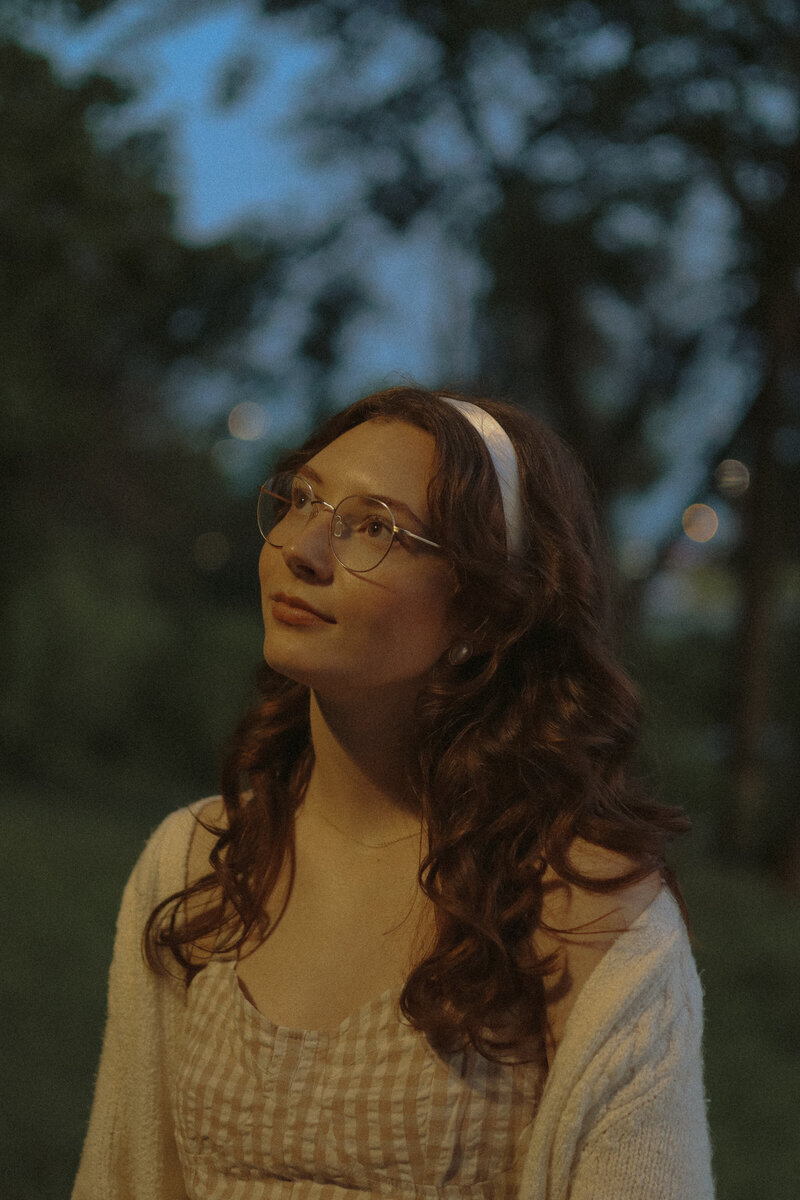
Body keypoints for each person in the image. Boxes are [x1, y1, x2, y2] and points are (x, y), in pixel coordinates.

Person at [73, 386, 714, 1199]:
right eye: (302, 498)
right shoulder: (202, 869)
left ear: (485, 609)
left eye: (375, 526)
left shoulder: (580, 913)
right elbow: (119, 1179)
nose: (302, 547)